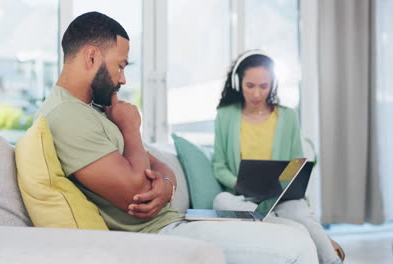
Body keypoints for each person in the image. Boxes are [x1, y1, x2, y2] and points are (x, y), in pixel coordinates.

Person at [37, 12, 318, 263]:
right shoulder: (68, 116)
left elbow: (157, 165)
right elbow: (136, 189)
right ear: (91, 57)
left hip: (175, 223)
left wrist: (168, 187)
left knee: (294, 229)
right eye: (120, 66)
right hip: (159, 235)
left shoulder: (95, 110)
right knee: (296, 246)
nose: (122, 79)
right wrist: (131, 128)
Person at [212, 50, 345, 263]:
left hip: (280, 197)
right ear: (238, 83)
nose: (256, 94)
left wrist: (286, 187)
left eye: (263, 86)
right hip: (242, 198)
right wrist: (237, 182)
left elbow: (296, 162)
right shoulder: (225, 116)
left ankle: (332, 260)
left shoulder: (287, 116)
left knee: (302, 214)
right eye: (250, 86)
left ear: (272, 84)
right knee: (220, 200)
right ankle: (278, 221)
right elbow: (219, 165)